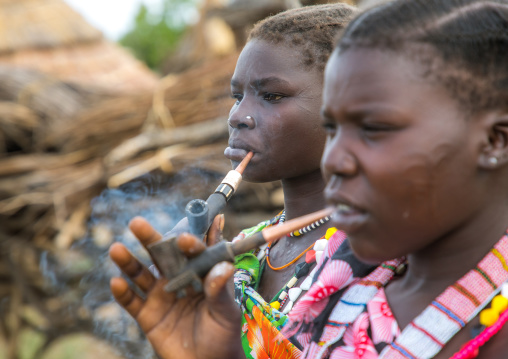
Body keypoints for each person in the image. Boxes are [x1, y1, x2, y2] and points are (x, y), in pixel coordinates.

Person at [111, 0, 508, 358]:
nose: (335, 158)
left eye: (374, 128)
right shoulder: (351, 316)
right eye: (333, 128)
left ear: (494, 140)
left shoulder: (375, 273)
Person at [109, 4, 368, 359]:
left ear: (348, 104)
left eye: (271, 96)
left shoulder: (378, 257)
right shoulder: (246, 252)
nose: (237, 116)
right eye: (237, 96)